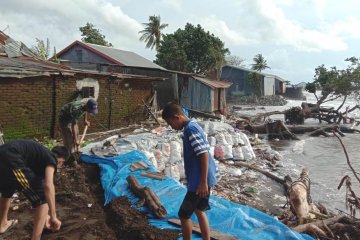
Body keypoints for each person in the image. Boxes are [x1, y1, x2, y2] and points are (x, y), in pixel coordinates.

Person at [162, 103, 217, 240]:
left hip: (199, 181)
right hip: (205, 177)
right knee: (199, 210)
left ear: (177, 117)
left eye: (170, 123)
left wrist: (202, 182)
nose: (171, 127)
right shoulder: (194, 125)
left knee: (183, 214)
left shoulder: (190, 130)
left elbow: (203, 154)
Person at [0, 140, 69, 240]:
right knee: (42, 200)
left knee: (7, 190)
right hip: (11, 157)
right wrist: (53, 216)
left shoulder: (40, 156)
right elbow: (48, 186)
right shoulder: (52, 159)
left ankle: (2, 224)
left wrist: (45, 216)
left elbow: (36, 183)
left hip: (3, 153)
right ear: (61, 161)